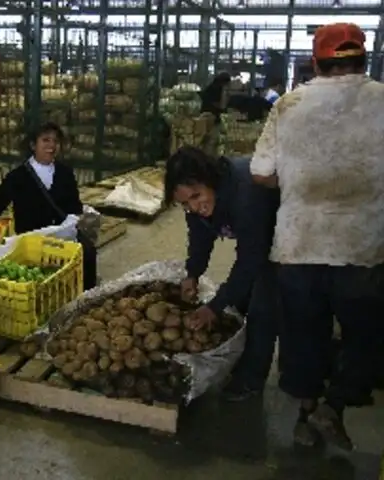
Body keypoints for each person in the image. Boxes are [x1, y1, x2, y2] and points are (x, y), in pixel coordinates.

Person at [250, 23, 384, 450]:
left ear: (318, 61)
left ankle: (307, 415)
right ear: (363, 57)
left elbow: (261, 173)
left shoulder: (289, 105)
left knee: (304, 334)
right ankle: (334, 405)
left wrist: (300, 183)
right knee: (367, 335)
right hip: (363, 246)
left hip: (299, 243)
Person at [164, 146, 280, 402]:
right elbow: (200, 235)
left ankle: (251, 380)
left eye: (197, 196)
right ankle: (237, 361)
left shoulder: (246, 191)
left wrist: (214, 306)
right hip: (256, 241)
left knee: (263, 307)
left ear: (211, 181)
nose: (194, 206)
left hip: (283, 237)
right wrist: (192, 273)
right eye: (185, 203)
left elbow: (251, 259)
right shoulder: (197, 205)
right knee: (237, 303)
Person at [0, 122, 97, 290]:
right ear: (32, 145)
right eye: (45, 140)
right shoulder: (17, 177)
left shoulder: (65, 173)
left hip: (62, 234)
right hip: (31, 239)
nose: (51, 146)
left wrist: (81, 218)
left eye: (55, 141)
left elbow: (74, 207)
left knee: (88, 253)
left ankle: (86, 298)